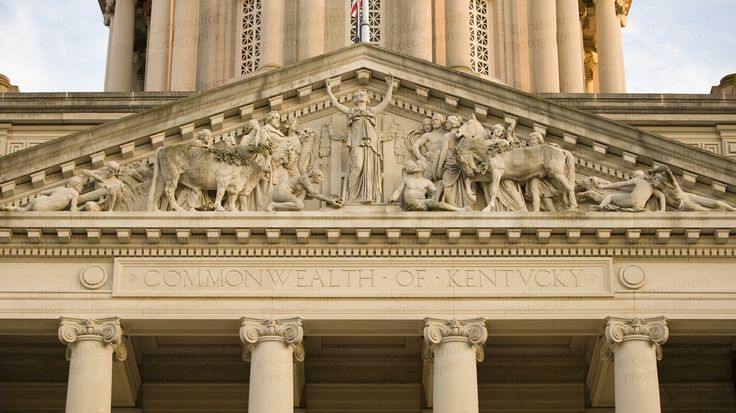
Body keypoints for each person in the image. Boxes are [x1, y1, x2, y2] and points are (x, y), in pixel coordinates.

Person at [325, 74, 395, 204]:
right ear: (355, 99)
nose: (362, 94)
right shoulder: (351, 111)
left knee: (369, 169)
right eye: (359, 93)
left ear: (368, 99)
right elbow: (335, 104)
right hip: (357, 143)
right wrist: (329, 90)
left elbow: (387, 101)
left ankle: (367, 196)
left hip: (370, 144)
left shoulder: (372, 111)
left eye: (364, 93)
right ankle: (352, 197)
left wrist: (390, 85)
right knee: (357, 166)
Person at [648, 165, 735, 211]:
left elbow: (666, 168)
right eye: (652, 180)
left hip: (689, 198)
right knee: (706, 211)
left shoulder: (673, 185)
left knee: (715, 203)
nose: (652, 181)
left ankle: (733, 209)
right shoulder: (660, 194)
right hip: (685, 207)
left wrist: (653, 171)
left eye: (655, 178)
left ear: (662, 180)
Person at [390, 160, 466, 211]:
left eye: (418, 165)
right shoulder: (407, 179)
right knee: (415, 202)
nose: (415, 166)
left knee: (436, 204)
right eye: (415, 164)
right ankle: (426, 207)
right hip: (411, 203)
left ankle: (458, 210)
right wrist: (393, 197)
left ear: (423, 168)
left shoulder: (427, 182)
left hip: (423, 202)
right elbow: (398, 190)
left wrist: (440, 189)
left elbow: (435, 192)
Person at [266, 170, 343, 211]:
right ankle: (273, 205)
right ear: (315, 176)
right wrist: (330, 201)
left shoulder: (306, 186)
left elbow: (312, 195)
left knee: (300, 203)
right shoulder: (305, 179)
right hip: (280, 192)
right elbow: (314, 194)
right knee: (300, 205)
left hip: (284, 193)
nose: (322, 179)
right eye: (321, 177)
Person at [590, 170, 666, 212]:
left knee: (610, 196)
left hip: (631, 199)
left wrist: (604, 186)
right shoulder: (652, 189)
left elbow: (619, 184)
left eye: (634, 176)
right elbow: (662, 196)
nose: (632, 177)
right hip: (640, 206)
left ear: (639, 176)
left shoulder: (638, 180)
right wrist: (662, 210)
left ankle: (600, 206)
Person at [5, 176, 86, 211]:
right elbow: (73, 208)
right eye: (81, 185)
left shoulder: (60, 188)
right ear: (76, 185)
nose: (82, 187)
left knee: (24, 210)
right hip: (42, 208)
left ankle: (12, 208)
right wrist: (83, 207)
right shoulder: (74, 193)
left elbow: (44, 192)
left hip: (39, 200)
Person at [411, 113, 447, 181]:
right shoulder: (428, 135)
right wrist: (420, 157)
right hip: (430, 163)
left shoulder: (447, 134)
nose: (434, 121)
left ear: (442, 121)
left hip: (444, 164)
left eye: (437, 120)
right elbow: (414, 146)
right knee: (423, 184)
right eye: (433, 120)